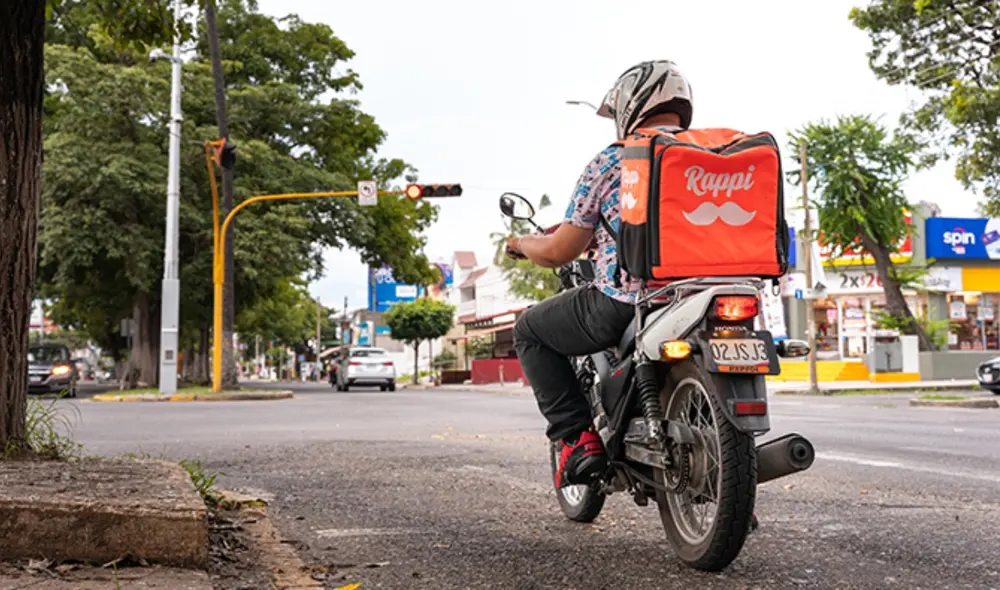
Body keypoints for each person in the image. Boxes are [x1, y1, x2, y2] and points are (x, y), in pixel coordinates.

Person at [508, 60, 694, 488]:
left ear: (632, 104)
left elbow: (559, 250)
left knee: (529, 331)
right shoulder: (714, 155)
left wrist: (521, 243)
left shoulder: (614, 161)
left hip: (630, 301)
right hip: (705, 294)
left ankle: (576, 439)